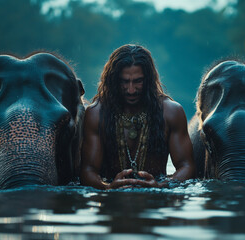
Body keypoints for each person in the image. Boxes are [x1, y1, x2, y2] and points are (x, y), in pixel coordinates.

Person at [81, 44, 194, 190]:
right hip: (112, 204)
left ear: (148, 80)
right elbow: (88, 171)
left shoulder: (171, 112)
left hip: (156, 204)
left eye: (138, 81)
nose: (131, 90)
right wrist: (107, 187)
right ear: (114, 80)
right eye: (124, 81)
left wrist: (162, 186)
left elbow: (187, 166)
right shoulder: (96, 113)